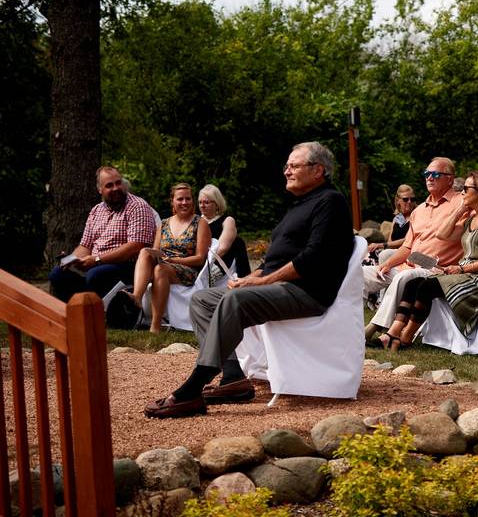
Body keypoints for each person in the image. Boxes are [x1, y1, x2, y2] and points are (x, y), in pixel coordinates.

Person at [144, 142, 354, 418]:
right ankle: (233, 378)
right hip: (278, 287)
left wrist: (261, 283)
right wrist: (250, 277)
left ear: (318, 171)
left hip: (306, 291)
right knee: (202, 300)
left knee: (236, 299)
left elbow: (312, 258)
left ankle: (193, 388)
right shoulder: (299, 204)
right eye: (286, 166)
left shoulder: (331, 202)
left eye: (294, 166)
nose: (287, 171)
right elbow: (273, 262)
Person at [370, 170, 478, 351]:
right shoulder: (471, 219)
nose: (462, 192)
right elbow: (442, 234)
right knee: (413, 283)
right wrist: (459, 210)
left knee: (426, 287)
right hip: (464, 271)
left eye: (466, 188)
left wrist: (462, 269)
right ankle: (393, 332)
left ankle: (406, 336)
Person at [363, 158, 466, 339]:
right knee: (358, 274)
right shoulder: (419, 210)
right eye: (427, 174)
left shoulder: (462, 203)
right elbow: (407, 247)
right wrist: (388, 263)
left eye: (435, 174)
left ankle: (373, 327)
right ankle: (342, 322)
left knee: (405, 277)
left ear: (450, 179)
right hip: (409, 266)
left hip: (435, 269)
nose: (430, 178)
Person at [49, 166, 157, 303]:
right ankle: (79, 312)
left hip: (128, 266)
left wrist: (97, 260)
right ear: (100, 189)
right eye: (109, 185)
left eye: (118, 183)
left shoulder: (138, 206)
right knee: (58, 274)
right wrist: (72, 260)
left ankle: (97, 312)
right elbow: (85, 246)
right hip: (97, 265)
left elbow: (135, 246)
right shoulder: (96, 210)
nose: (116, 188)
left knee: (95, 275)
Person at [121, 183, 212, 333]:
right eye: (180, 199)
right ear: (172, 201)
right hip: (164, 264)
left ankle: (155, 326)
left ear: (192, 201)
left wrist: (172, 261)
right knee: (145, 252)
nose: (184, 203)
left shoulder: (200, 223)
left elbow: (200, 259)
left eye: (188, 199)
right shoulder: (163, 224)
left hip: (189, 270)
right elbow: (155, 250)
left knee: (160, 269)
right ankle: (136, 297)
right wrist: (157, 256)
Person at [198, 184, 251, 282]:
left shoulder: (227, 220)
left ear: (217, 204)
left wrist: (202, 263)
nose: (202, 205)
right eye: (200, 202)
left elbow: (222, 248)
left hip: (220, 265)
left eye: (206, 202)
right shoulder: (196, 221)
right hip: (201, 261)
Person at [367, 184, 417, 254]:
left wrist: (381, 245)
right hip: (394, 253)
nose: (409, 202)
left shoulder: (416, 216)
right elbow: (390, 242)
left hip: (407, 253)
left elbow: (407, 240)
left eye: (412, 199)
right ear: (398, 201)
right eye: (405, 199)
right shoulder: (397, 218)